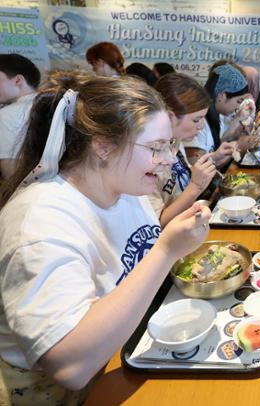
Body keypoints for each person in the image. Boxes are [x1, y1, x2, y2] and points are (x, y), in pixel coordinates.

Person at [0, 72, 210, 404]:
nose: (169, 159)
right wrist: (167, 251)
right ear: (102, 146)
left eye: (169, 145)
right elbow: (70, 368)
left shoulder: (128, 189)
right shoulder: (39, 222)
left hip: (129, 352)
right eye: (156, 147)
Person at [150, 73, 222, 227]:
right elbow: (157, 224)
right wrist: (195, 187)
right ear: (170, 117)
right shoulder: (147, 159)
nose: (202, 126)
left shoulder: (175, 139)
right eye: (196, 119)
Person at [189, 62, 257, 167]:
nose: (238, 107)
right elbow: (198, 168)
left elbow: (220, 143)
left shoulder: (217, 113)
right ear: (221, 96)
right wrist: (238, 147)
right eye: (239, 102)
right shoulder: (198, 121)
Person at [0, 54, 40, 180]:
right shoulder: (56, 104)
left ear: (18, 80)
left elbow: (11, 171)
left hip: (29, 192)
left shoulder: (7, 114)